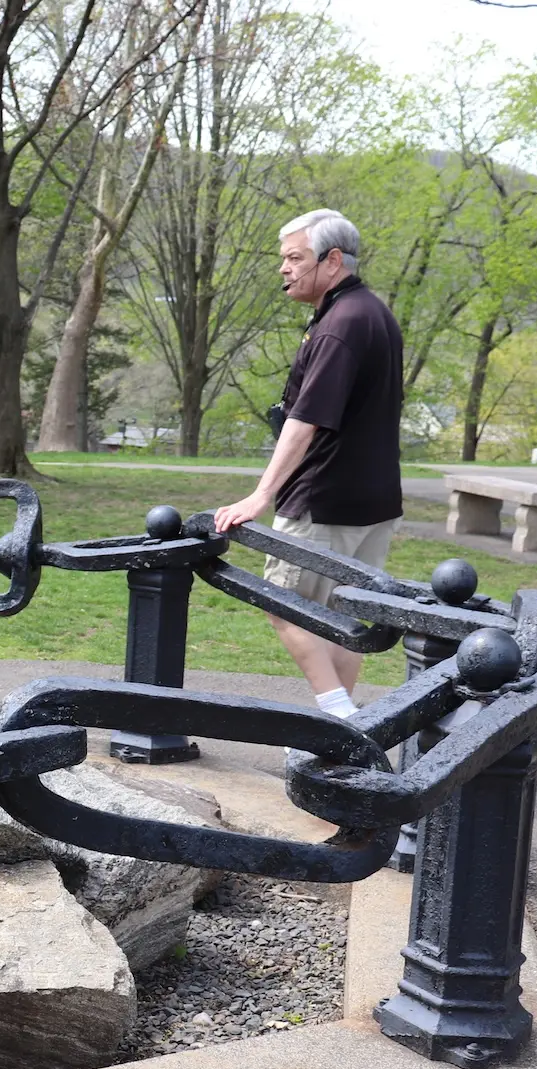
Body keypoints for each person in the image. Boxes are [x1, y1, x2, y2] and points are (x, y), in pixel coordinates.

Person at [213, 208, 403, 724]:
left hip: (325, 499)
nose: (284, 269)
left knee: (283, 603)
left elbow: (304, 423)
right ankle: (345, 730)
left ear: (332, 260)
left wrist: (260, 495)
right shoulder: (372, 313)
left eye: (295, 258)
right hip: (376, 499)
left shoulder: (341, 325)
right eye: (284, 259)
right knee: (343, 616)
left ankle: (338, 716)